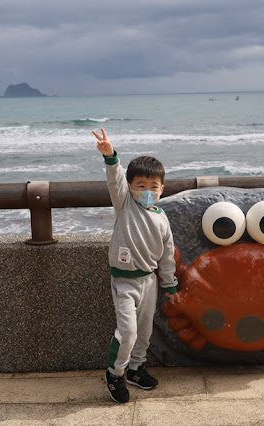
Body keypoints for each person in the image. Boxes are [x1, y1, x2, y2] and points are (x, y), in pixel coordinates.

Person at [92, 128, 180, 403]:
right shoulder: (125, 204)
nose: (147, 191)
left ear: (162, 189)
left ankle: (136, 368)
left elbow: (166, 256)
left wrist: (170, 284)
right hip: (124, 281)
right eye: (141, 185)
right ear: (131, 187)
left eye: (154, 187)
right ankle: (114, 373)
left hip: (149, 281)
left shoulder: (162, 219)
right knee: (127, 332)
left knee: (144, 332)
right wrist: (111, 157)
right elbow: (115, 181)